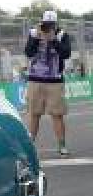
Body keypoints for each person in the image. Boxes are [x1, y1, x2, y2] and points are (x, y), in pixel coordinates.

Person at [24, 10, 72, 156]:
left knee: (57, 114)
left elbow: (66, 54)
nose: (48, 27)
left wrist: (53, 40)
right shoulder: (34, 33)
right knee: (34, 113)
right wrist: (37, 38)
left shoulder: (62, 35)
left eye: (51, 25)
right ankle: (30, 146)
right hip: (35, 79)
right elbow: (28, 52)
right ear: (42, 22)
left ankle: (62, 145)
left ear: (56, 24)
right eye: (46, 24)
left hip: (55, 80)